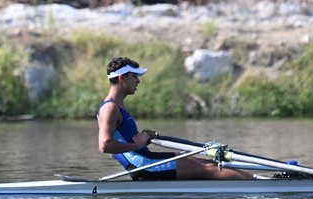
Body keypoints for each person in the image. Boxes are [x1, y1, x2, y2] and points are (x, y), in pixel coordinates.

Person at [97, 56, 253, 181]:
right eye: (134, 76)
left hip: (145, 160)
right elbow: (105, 145)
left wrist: (143, 138)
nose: (138, 80)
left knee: (210, 163)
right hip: (144, 166)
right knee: (209, 169)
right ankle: (264, 185)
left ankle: (258, 181)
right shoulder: (110, 108)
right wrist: (136, 144)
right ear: (122, 78)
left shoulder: (118, 106)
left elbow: (118, 144)